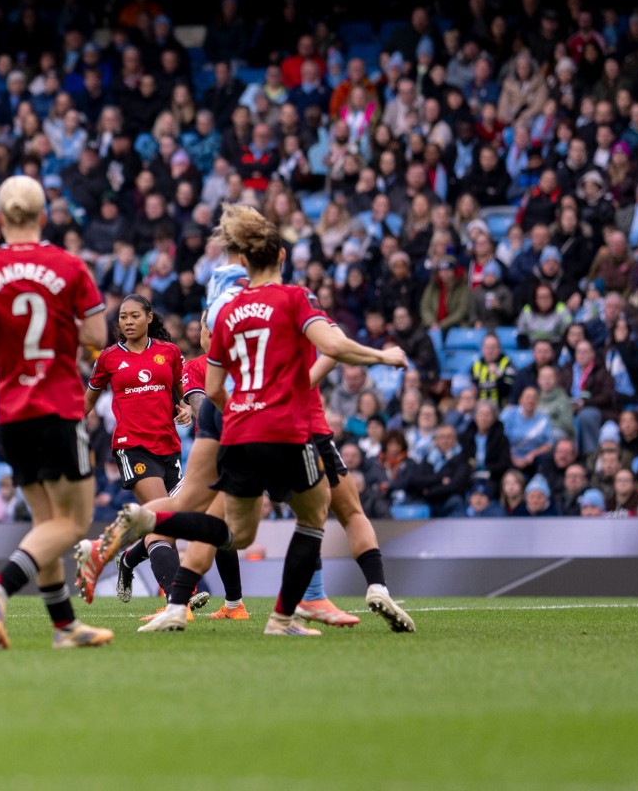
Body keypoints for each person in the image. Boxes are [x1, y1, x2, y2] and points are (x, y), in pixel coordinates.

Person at [0, 177, 197, 649]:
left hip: (10, 414)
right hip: (58, 408)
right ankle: (0, 586)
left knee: (45, 522)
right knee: (71, 524)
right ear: (44, 217)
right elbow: (95, 336)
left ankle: (64, 626)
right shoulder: (68, 266)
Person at [107, 205, 412, 637]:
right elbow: (333, 345)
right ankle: (287, 615)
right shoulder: (295, 297)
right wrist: (383, 355)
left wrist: (233, 410)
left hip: (238, 427)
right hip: (287, 425)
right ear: (282, 257)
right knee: (315, 514)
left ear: (244, 261)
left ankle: (152, 529)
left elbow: (213, 386)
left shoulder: (229, 311)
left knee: (232, 530)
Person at [84, 293, 192, 604]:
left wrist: (186, 408)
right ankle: (177, 600)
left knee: (173, 522)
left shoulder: (169, 352)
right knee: (163, 517)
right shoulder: (108, 358)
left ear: (149, 317)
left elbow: (182, 394)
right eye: (123, 317)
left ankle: (128, 560)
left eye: (134, 316)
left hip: (169, 447)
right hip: (131, 447)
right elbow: (86, 404)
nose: (128, 322)